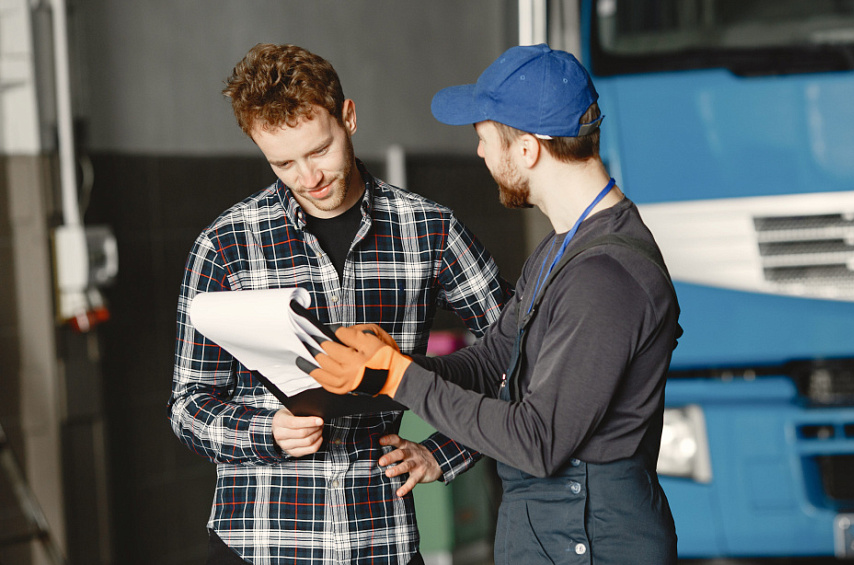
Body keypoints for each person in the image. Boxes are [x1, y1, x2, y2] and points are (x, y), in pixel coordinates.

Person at [306, 44, 682, 564]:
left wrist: (398, 379)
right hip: (553, 536)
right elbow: (491, 364)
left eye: (484, 137)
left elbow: (538, 440)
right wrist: (395, 362)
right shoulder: (561, 249)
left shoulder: (605, 278)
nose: (481, 153)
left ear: (527, 149)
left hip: (592, 543)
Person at [168, 43, 511, 565]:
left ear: (348, 117)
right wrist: (267, 432)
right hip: (259, 543)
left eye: (319, 151)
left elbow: (518, 353)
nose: (309, 178)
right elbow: (188, 403)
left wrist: (444, 454)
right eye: (284, 163)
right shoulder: (225, 245)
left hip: (380, 541)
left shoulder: (430, 230)